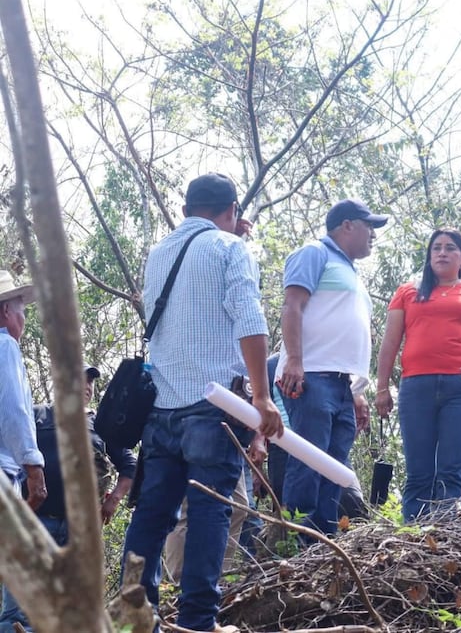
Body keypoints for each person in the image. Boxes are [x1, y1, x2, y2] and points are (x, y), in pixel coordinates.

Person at [120, 173, 283, 633]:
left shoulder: (159, 254)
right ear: (231, 210)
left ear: (186, 207)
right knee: (211, 511)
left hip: (162, 409)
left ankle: (136, 616)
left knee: (152, 517)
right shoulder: (231, 250)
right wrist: (261, 395)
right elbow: (248, 318)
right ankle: (197, 622)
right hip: (214, 408)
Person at [374, 228, 461, 521]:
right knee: (419, 470)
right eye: (436, 248)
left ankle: (443, 537)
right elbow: (390, 342)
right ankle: (414, 538)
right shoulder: (407, 291)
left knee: (450, 470)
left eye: (449, 248)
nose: (442, 253)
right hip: (416, 387)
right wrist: (382, 388)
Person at [276, 198, 386, 535]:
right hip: (311, 377)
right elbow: (292, 305)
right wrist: (295, 360)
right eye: (369, 227)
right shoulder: (314, 253)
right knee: (309, 461)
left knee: (335, 468)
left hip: (340, 385)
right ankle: (293, 544)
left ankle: (323, 543)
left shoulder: (350, 271)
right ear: (347, 225)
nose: (373, 236)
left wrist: (357, 393)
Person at [0, 365, 136, 633]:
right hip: (34, 523)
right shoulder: (35, 415)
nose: (86, 387)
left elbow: (130, 465)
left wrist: (114, 500)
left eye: (90, 383)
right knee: (17, 613)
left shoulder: (102, 425)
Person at [0, 271, 45, 508]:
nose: (24, 319)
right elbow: (12, 410)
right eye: (22, 311)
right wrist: (33, 467)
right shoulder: (5, 345)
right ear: (7, 310)